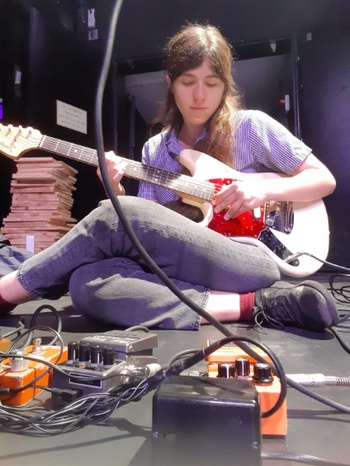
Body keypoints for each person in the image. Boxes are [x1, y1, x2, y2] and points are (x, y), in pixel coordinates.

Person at [0, 23, 338, 331]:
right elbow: (147, 236)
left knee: (112, 215)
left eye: (212, 83)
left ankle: (9, 289)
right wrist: (115, 187)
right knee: (86, 285)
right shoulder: (155, 149)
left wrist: (261, 192)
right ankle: (248, 306)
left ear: (225, 86)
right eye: (188, 82)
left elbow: (323, 179)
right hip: (187, 264)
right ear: (170, 84)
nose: (200, 95)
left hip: (253, 258)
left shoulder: (250, 127)